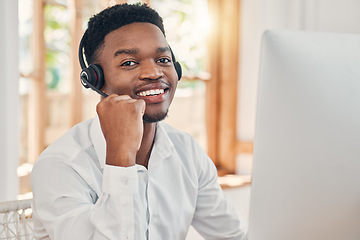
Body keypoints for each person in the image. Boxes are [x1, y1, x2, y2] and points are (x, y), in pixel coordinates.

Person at [31, 3, 248, 240]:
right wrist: (120, 159)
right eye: (129, 63)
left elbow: (234, 236)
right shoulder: (61, 166)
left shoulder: (187, 153)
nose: (154, 73)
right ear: (96, 80)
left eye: (163, 59)